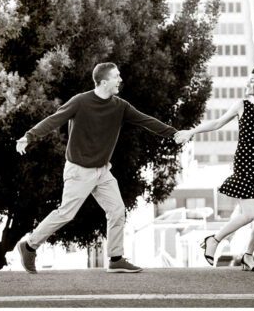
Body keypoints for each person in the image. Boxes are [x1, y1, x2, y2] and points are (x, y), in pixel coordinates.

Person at [15, 62, 177, 273]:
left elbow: (146, 120)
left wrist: (173, 133)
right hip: (79, 170)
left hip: (101, 171)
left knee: (117, 210)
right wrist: (29, 136)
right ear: (103, 82)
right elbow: (54, 120)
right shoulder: (80, 102)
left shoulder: (120, 106)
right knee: (66, 213)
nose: (120, 80)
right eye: (116, 76)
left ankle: (116, 258)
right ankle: (29, 246)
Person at [174, 66, 254, 271]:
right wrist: (192, 131)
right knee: (249, 214)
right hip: (244, 163)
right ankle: (214, 239)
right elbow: (216, 123)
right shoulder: (241, 105)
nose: (247, 83)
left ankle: (248, 256)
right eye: (247, 80)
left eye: (252, 80)